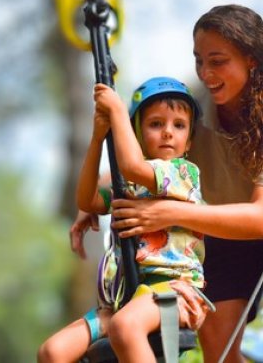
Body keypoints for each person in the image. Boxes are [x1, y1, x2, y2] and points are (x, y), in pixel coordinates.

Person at [106, 5, 263, 363]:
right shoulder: (194, 103)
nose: (206, 73)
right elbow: (157, 157)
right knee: (219, 353)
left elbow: (259, 218)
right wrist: (101, 192)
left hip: (248, 230)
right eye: (199, 61)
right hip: (211, 233)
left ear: (252, 59)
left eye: (218, 61)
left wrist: (168, 212)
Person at [38, 77, 213, 363]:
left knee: (125, 327)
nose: (168, 132)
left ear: (189, 139)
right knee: (52, 352)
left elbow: (132, 166)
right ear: (137, 134)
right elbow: (87, 200)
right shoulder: (127, 185)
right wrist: (98, 138)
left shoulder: (184, 174)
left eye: (178, 125)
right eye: (156, 124)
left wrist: (118, 111)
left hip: (173, 291)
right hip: (123, 300)